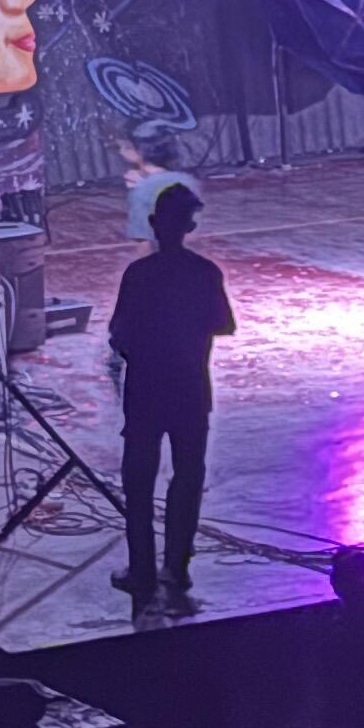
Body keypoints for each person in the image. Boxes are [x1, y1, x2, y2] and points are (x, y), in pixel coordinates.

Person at [107, 182, 233, 605]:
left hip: (145, 390)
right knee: (188, 477)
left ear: (154, 224)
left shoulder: (138, 274)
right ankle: (177, 568)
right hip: (190, 389)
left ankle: (141, 570)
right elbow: (223, 324)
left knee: (138, 481)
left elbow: (119, 334)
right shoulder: (205, 272)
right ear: (189, 227)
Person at [113, 123, 202, 245]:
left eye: (127, 147)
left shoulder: (141, 191)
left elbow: (143, 240)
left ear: (139, 152)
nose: (121, 151)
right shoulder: (188, 181)